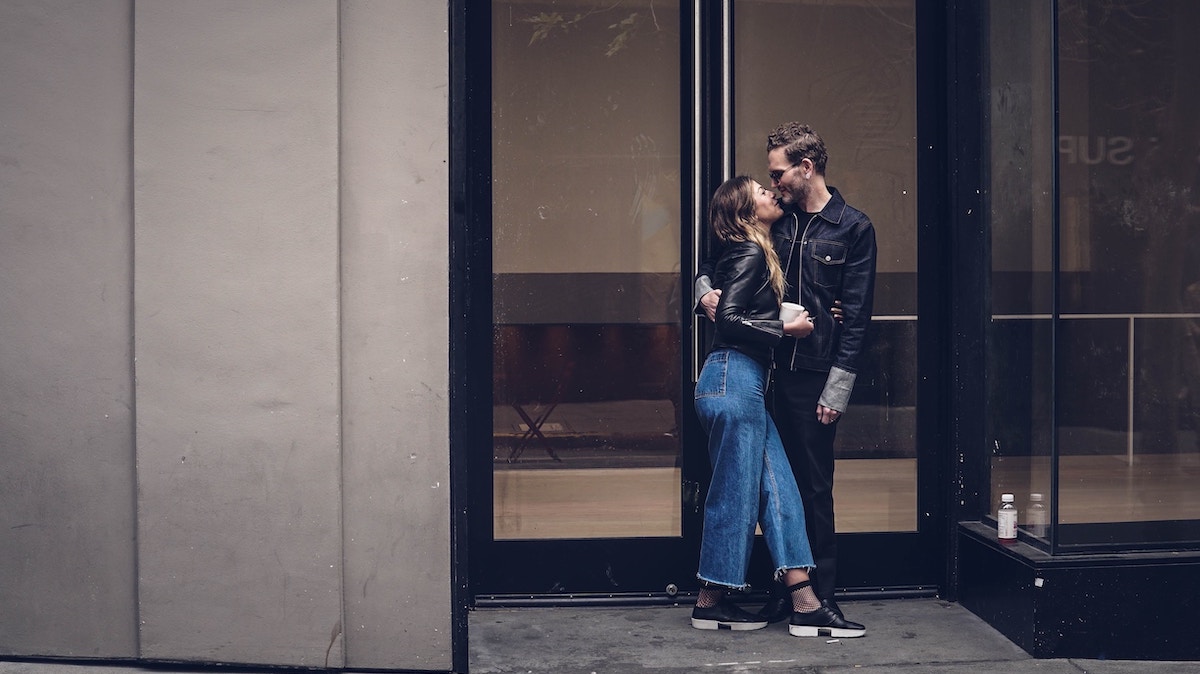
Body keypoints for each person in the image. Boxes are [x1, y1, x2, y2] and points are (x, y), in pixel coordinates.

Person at [697, 123, 876, 629]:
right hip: (756, 372)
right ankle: (788, 596)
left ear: (806, 167)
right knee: (767, 483)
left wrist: (838, 387)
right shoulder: (774, 222)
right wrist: (703, 293)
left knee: (810, 487)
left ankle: (818, 594)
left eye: (778, 174)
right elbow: (719, 262)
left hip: (810, 376)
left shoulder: (852, 227)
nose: (773, 185)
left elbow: (857, 316)